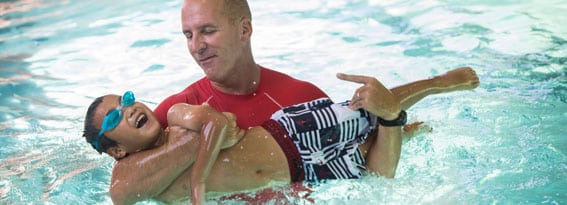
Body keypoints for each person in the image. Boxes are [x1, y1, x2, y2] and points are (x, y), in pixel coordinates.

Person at [83, 68, 480, 204]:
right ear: (115, 149)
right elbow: (122, 194)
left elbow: (218, 124)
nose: (132, 107)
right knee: (373, 168)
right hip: (298, 169)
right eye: (117, 114)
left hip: (289, 133)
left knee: (365, 107)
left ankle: (440, 83)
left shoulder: (177, 114)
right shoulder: (132, 179)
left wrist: (199, 179)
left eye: (129, 98)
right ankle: (404, 130)